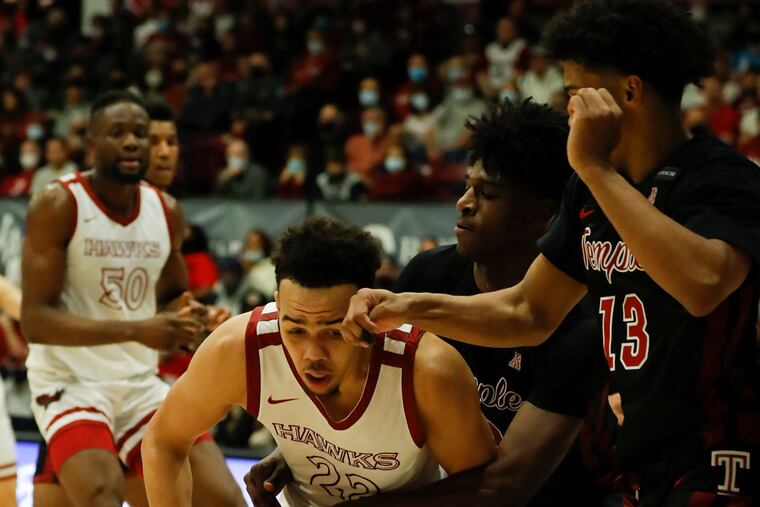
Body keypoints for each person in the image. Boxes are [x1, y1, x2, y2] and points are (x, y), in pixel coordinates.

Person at [342, 1, 760, 505]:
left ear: (628, 92)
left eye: (573, 93)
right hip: (636, 455)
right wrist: (403, 308)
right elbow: (529, 311)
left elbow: (704, 285)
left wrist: (594, 168)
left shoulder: (721, 177)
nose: (568, 109)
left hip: (722, 453)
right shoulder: (590, 191)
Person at [246, 100, 612, 507]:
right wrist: (292, 455)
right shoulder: (426, 277)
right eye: (467, 186)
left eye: (487, 193)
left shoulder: (582, 321)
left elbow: (503, 487)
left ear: (541, 214)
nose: (464, 202)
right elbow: (369, 395)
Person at [143, 217, 496, 507]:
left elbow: (488, 487)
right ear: (278, 304)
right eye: (295, 330)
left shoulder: (426, 368)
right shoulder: (241, 348)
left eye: (332, 331)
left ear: (366, 307)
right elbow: (164, 440)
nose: (312, 354)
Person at [20, 90, 245, 507]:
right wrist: (141, 329)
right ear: (90, 144)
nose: (131, 143)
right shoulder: (58, 202)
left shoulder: (165, 209)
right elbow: (35, 320)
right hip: (72, 384)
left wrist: (193, 316)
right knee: (101, 494)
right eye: (117, 133)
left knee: (224, 498)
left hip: (140, 382)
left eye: (139, 134)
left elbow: (173, 296)